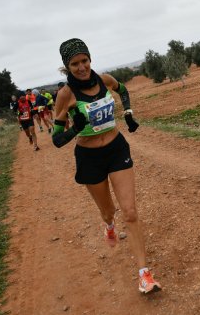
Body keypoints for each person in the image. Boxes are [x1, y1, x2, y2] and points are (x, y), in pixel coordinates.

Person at [51, 38, 160, 294]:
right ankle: (109, 225)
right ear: (67, 67)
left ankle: (145, 275)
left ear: (90, 59)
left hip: (116, 148)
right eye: (75, 64)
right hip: (89, 158)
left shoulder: (105, 80)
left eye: (84, 61)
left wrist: (129, 113)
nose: (81, 67)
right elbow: (56, 140)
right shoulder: (66, 95)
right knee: (109, 211)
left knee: (130, 211)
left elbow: (123, 90)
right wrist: (74, 129)